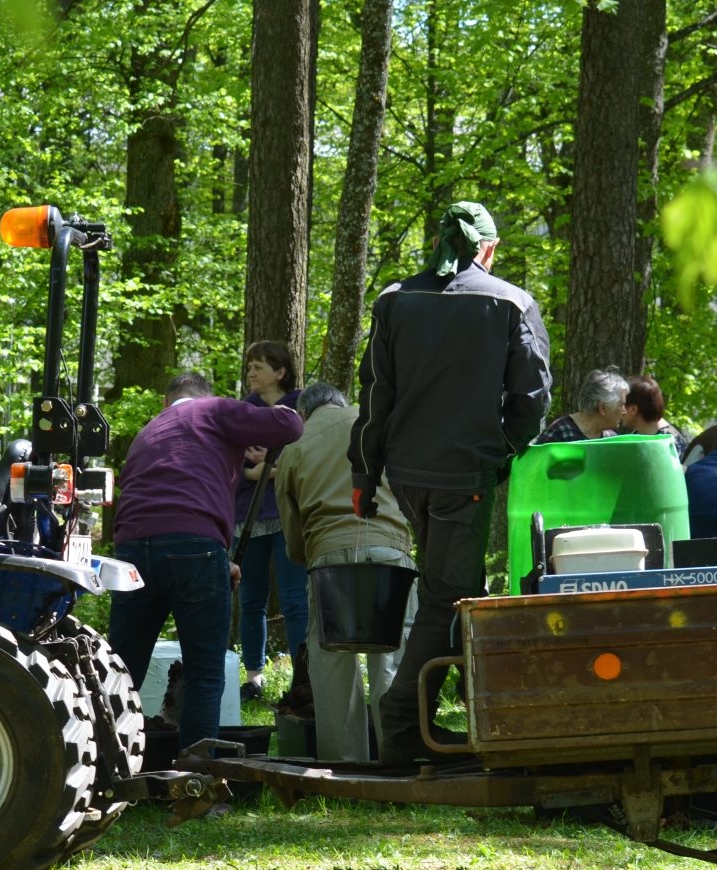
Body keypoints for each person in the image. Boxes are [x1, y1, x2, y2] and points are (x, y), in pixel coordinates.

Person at [350, 199, 553, 765]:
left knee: (450, 592)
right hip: (464, 473)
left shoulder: (395, 300)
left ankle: (452, 712)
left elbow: (374, 396)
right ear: (487, 249)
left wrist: (364, 471)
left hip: (406, 475)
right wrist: (507, 450)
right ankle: (403, 721)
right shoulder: (511, 302)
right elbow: (532, 399)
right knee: (450, 597)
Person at [107, 371, 303, 759]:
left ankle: (104, 769)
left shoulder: (149, 432)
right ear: (206, 396)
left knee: (121, 670)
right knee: (205, 672)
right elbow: (290, 423)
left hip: (132, 549)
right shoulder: (214, 410)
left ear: (166, 402)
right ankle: (195, 780)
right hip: (194, 546)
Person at [276, 383, 417, 762]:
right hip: (391, 551)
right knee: (393, 657)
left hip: (329, 557)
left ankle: (343, 765)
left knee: (331, 661)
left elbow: (291, 529)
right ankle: (400, 757)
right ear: (340, 402)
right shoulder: (380, 425)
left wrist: (307, 555)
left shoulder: (295, 446)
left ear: (304, 414)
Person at [232, 340, 309, 701]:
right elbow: (233, 462)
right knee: (250, 599)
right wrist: (257, 471)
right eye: (249, 366)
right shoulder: (241, 411)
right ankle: (254, 678)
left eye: (258, 366)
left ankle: (303, 678)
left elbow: (310, 458)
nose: (250, 372)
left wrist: (274, 469)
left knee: (295, 600)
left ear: (279, 372)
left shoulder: (303, 408)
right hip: (248, 515)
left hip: (288, 514)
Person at [531, 368, 626, 444]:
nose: (624, 411)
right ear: (602, 408)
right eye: (621, 405)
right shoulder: (561, 432)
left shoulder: (610, 439)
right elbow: (535, 466)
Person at [620, 374, 691, 457]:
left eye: (622, 404)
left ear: (633, 409)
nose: (619, 410)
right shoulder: (637, 435)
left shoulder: (670, 443)